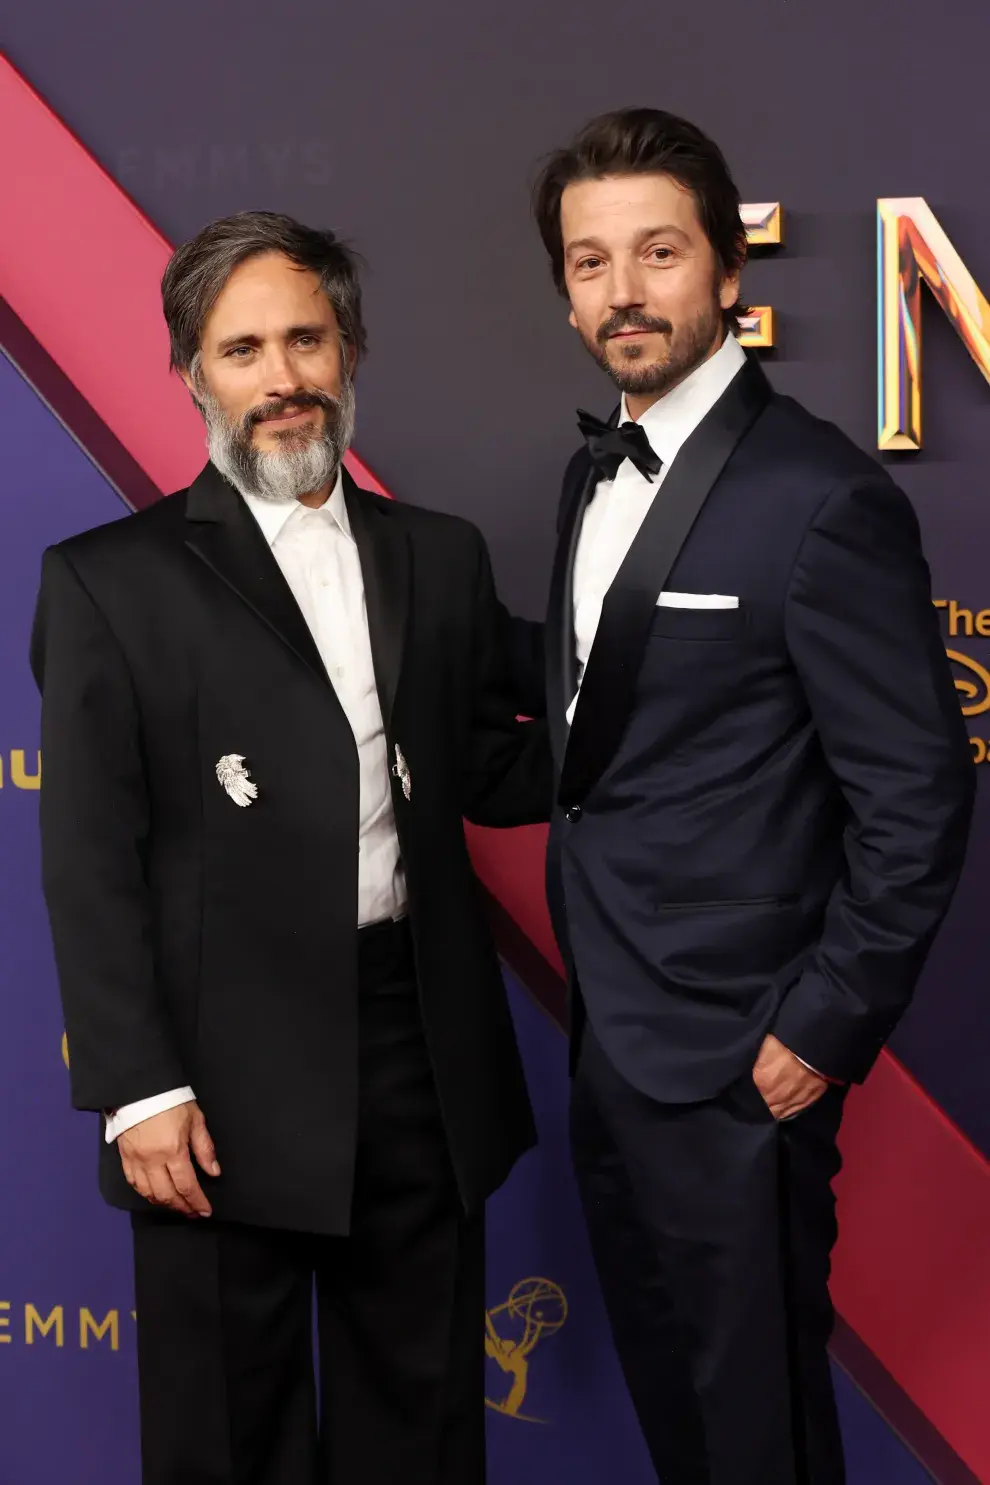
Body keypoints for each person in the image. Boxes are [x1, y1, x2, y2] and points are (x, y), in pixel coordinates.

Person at [31, 211, 552, 1485]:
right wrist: (138, 1090)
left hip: (416, 1050)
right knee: (227, 1439)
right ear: (195, 373)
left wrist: (682, 711)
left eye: (305, 339)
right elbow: (89, 854)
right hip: (213, 1075)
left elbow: (496, 766)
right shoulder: (110, 580)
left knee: (418, 1434)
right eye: (244, 348)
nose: (282, 379)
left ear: (351, 349)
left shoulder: (440, 552)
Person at [513, 109, 975, 1485]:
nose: (622, 291)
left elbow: (915, 790)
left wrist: (819, 1029)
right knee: (681, 1418)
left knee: (755, 1430)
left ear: (725, 270)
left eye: (656, 253)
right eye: (589, 263)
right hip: (612, 1025)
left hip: (740, 1061)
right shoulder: (591, 471)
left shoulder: (818, 496)